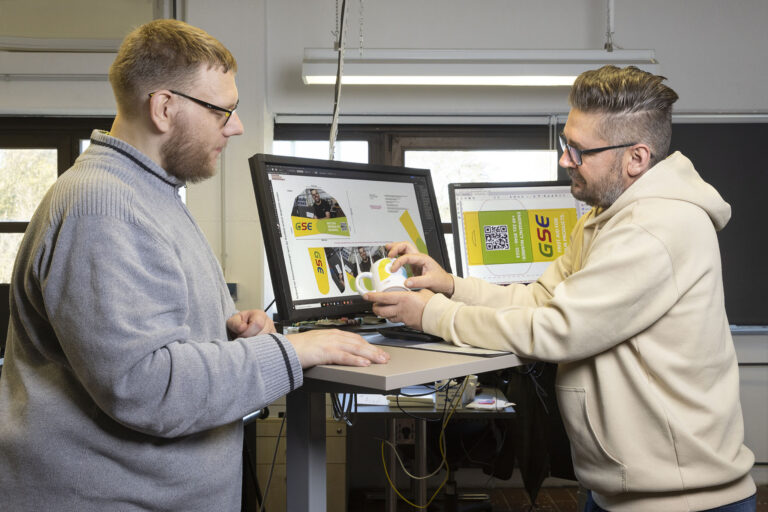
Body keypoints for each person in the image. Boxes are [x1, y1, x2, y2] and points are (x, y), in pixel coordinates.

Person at [0, 19, 388, 512]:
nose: (237, 125)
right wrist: (291, 352)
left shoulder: (149, 192)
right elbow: (147, 386)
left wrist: (226, 333)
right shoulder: (102, 206)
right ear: (164, 108)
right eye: (223, 110)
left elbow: (147, 341)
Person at [366, 66, 756, 512]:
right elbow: (541, 298)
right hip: (620, 489)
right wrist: (451, 287)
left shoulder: (657, 227)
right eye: (564, 144)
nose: (564, 160)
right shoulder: (604, 217)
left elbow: (556, 329)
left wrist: (430, 315)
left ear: (636, 158)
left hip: (681, 501)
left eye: (578, 150)